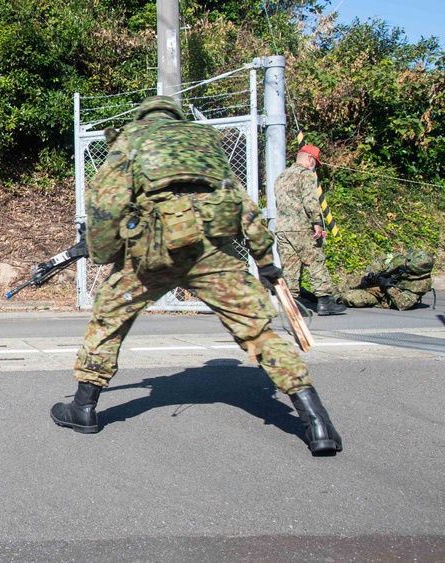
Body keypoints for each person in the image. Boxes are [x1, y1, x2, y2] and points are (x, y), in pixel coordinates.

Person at [51, 95, 342, 456]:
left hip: (151, 254)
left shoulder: (131, 139)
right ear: (176, 116)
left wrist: (101, 252)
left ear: (145, 116)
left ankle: (83, 408)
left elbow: (106, 202)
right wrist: (265, 261)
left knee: (109, 318)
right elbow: (242, 205)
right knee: (256, 330)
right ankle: (316, 421)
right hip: (209, 252)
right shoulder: (204, 142)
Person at [274, 144, 347, 316]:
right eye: (315, 162)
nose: (315, 166)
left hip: (283, 228)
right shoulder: (306, 175)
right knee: (316, 261)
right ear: (310, 159)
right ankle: (324, 301)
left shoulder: (281, 177)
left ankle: (293, 304)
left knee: (290, 265)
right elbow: (310, 201)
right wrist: (317, 223)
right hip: (301, 227)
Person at [341, 249, 435, 310]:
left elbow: (403, 304)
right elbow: (381, 261)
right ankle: (331, 297)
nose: (405, 265)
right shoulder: (401, 259)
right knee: (350, 283)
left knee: (348, 297)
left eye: (409, 268)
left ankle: (337, 299)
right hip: (377, 283)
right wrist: (372, 274)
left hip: (383, 298)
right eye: (407, 262)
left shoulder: (422, 284)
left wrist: (388, 286)